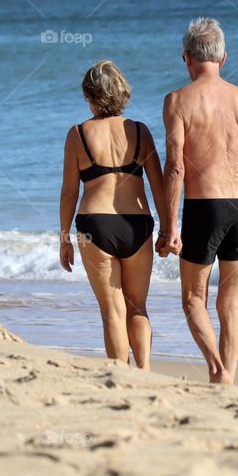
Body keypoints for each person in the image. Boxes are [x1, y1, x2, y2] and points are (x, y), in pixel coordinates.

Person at [158, 17, 238, 385]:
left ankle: (216, 370)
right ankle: (228, 380)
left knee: (194, 299)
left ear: (187, 58)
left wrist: (170, 226)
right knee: (232, 303)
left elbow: (175, 168)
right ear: (223, 58)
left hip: (203, 206)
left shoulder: (177, 101)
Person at [59, 60, 167, 370]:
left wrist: (64, 237)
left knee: (112, 310)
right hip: (137, 224)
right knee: (137, 307)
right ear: (121, 92)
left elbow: (69, 192)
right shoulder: (139, 130)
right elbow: (159, 187)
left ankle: (121, 375)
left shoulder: (78, 134)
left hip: (95, 225)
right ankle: (144, 371)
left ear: (89, 96)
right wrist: (168, 228)